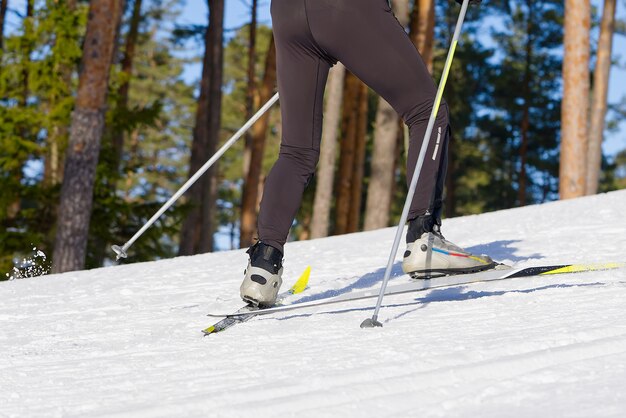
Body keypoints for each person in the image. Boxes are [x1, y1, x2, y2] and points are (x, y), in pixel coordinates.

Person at [240, 0, 494, 307]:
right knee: (427, 111)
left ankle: (263, 267)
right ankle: (425, 239)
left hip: (287, 14)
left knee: (297, 149)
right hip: (345, 9)